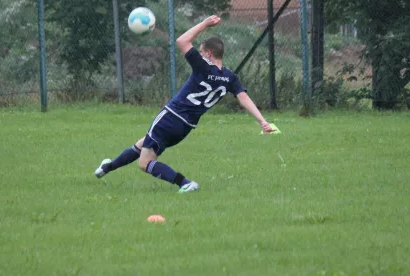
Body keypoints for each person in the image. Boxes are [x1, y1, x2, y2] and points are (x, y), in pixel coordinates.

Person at [94, 15, 275, 193]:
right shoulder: (229, 77)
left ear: (209, 54)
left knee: (145, 163)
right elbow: (244, 99)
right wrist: (262, 121)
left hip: (171, 116)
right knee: (141, 145)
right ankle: (106, 168)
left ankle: (185, 183)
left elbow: (182, 41)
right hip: (185, 127)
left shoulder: (203, 66)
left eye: (202, 51)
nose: (199, 53)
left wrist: (204, 24)